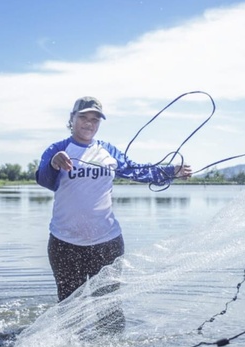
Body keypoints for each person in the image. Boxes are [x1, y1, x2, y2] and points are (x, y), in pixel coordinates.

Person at [36, 96, 192, 307]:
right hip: (65, 244)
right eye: (84, 117)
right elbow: (44, 180)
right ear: (72, 118)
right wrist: (54, 164)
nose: (89, 123)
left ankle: (109, 342)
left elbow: (136, 171)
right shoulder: (57, 149)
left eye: (95, 119)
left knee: (109, 308)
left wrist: (170, 171)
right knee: (68, 307)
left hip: (107, 243)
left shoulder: (108, 150)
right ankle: (70, 342)